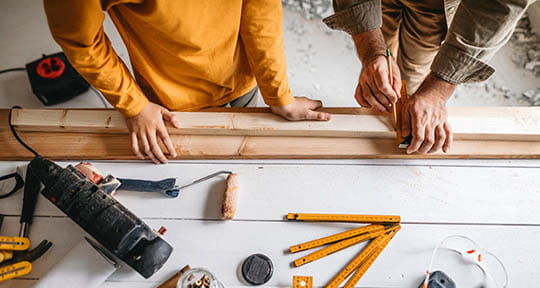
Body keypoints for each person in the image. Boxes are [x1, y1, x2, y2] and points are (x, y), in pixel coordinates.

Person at [43, 0, 331, 164]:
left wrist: (278, 95)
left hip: (242, 75)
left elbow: (261, 12)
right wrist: (135, 105)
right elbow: (80, 41)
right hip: (168, 100)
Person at [324, 0, 536, 154]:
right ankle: (387, 111)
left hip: (433, 5)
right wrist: (373, 52)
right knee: (382, 67)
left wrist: (436, 90)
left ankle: (410, 113)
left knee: (415, 68)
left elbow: (499, 6)